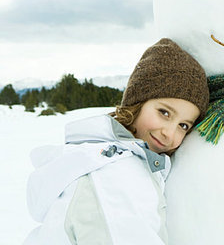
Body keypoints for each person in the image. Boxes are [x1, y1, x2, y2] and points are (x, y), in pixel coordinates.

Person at [24, 39, 209, 245]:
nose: (169, 133)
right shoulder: (114, 175)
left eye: (183, 125)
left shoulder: (103, 156)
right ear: (137, 102)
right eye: (164, 112)